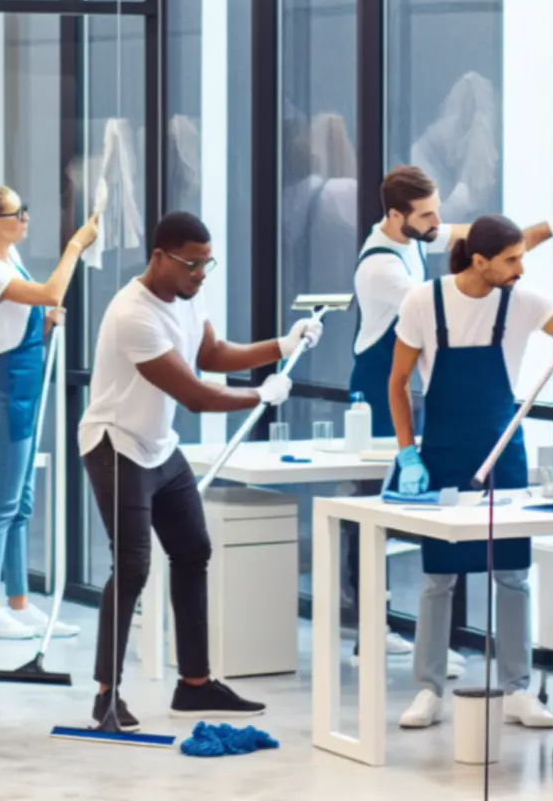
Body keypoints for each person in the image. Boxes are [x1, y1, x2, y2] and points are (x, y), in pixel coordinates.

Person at [389, 215, 553, 729]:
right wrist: (408, 453)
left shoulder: (525, 302)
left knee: (512, 574)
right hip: (441, 452)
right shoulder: (423, 301)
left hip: (502, 450)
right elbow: (397, 383)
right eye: (511, 259)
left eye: (522, 256)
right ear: (479, 261)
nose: (520, 267)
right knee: (438, 575)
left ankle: (517, 690)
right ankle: (429, 690)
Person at [78, 211, 321, 730]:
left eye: (207, 264)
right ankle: (106, 697)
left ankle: (194, 686)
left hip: (160, 446)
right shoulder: (132, 315)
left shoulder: (189, 293)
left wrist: (282, 345)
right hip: (114, 445)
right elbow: (193, 394)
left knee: (193, 550)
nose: (201, 274)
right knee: (134, 567)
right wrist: (261, 393)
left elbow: (210, 353)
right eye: (192, 264)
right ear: (160, 257)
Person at [346, 165, 553, 663]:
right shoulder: (385, 273)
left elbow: (476, 242)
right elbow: (462, 290)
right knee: (384, 521)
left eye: (438, 209)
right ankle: (377, 630)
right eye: (429, 214)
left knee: (509, 568)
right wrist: (408, 451)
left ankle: (512, 680)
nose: (441, 221)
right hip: (384, 391)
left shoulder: (416, 236)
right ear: (397, 216)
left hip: (463, 415)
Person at [0, 184, 98, 639]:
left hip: (25, 391)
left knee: (21, 505)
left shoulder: (8, 260)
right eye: (19, 212)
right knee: (2, 505)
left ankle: (18, 601)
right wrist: (75, 244)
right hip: (7, 395)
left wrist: (46, 321)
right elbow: (52, 289)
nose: (27, 219)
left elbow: (32, 311)